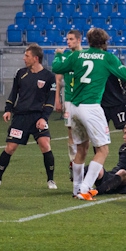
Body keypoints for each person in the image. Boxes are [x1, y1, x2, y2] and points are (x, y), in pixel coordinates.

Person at [51, 27, 126, 201]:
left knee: (82, 148)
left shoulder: (77, 55)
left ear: (88, 41)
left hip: (74, 108)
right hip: (91, 107)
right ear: (105, 41)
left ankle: (76, 189)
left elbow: (56, 67)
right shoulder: (107, 58)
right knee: (103, 150)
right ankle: (85, 188)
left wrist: (58, 55)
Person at [0, 43, 57, 190]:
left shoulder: (49, 77)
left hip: (38, 117)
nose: (24, 58)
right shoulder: (21, 73)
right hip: (20, 117)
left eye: (27, 56)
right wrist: (8, 110)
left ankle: (51, 180)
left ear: (35, 58)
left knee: (45, 145)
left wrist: (44, 118)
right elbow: (14, 93)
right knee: (10, 147)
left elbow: (50, 100)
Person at [54, 30, 83, 182]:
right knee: (71, 133)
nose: (68, 42)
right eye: (67, 39)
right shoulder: (65, 57)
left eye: (71, 39)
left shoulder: (85, 56)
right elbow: (58, 79)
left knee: (85, 134)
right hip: (69, 100)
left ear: (79, 40)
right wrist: (57, 99)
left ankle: (84, 164)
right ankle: (73, 162)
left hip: (84, 100)